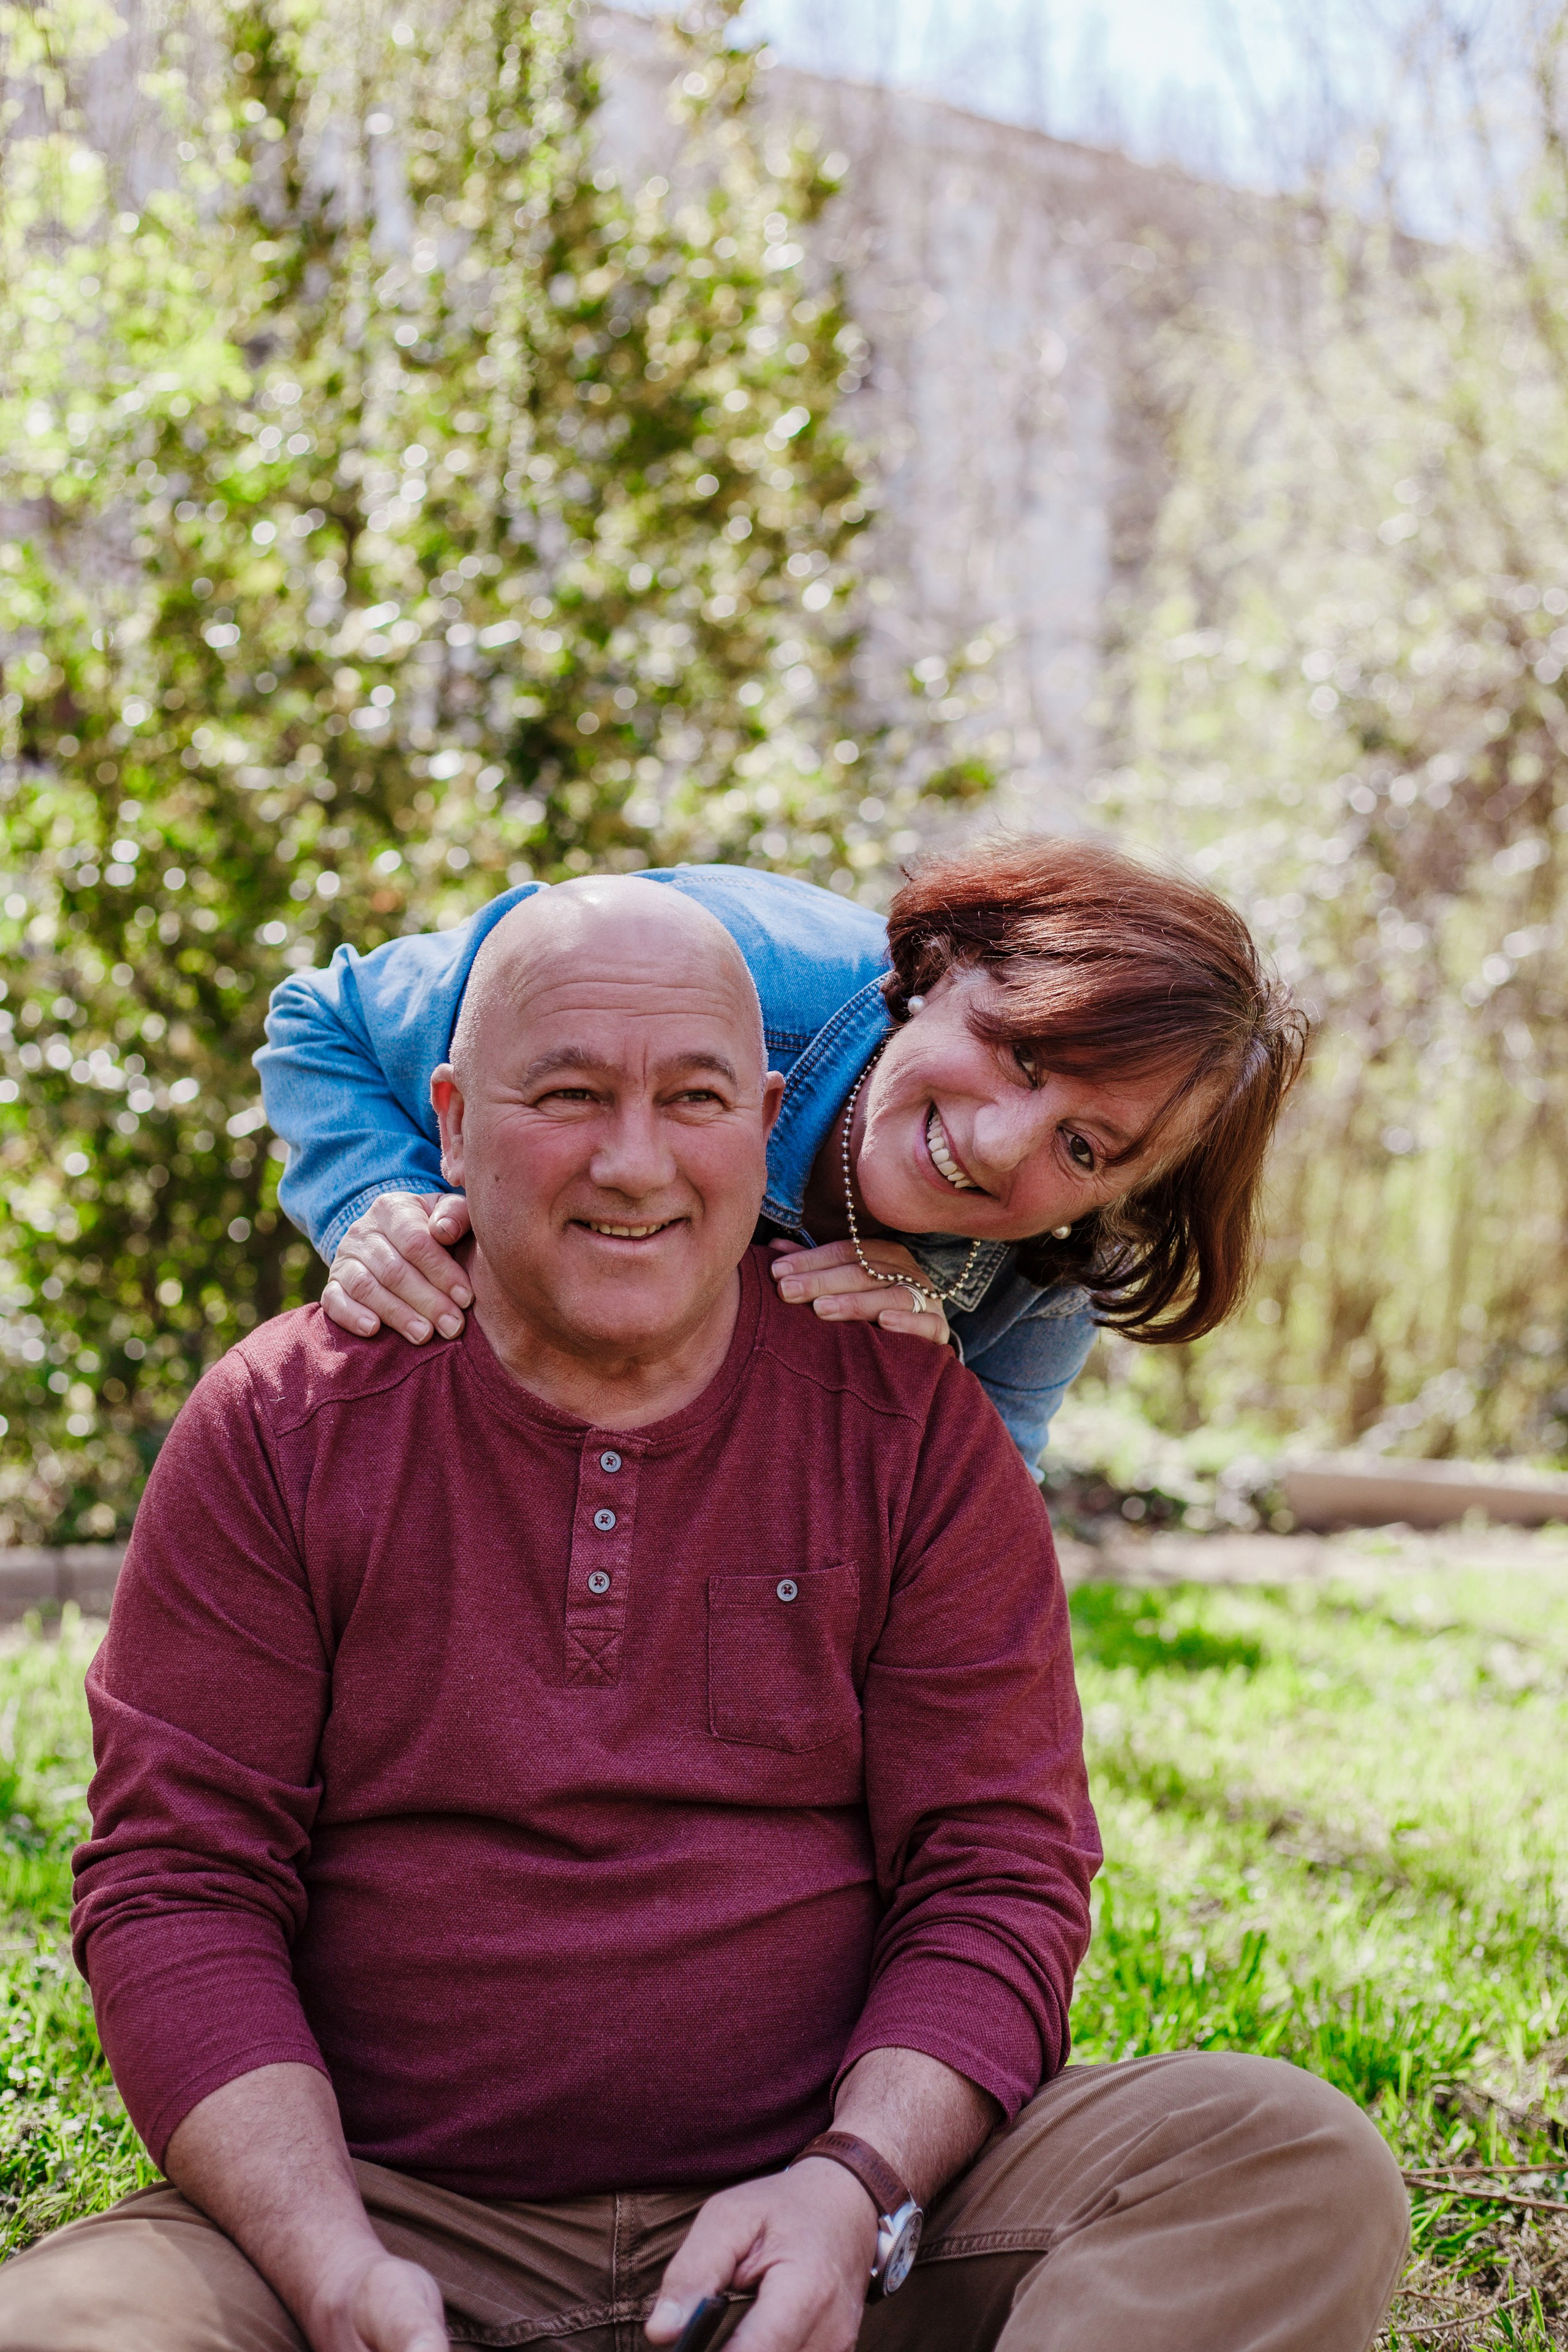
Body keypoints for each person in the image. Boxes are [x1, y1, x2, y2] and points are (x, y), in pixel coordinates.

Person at [0, 881, 1404, 2352]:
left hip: (841, 2233)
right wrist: (326, 2259)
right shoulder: (286, 1420)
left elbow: (995, 1867)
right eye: (568, 1093)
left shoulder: (935, 1408)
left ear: (762, 1118)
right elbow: (178, 1887)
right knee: (65, 2330)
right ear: (456, 1119)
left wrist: (851, 2184)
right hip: (386, 2217)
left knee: (1282, 2160)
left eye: (692, 1099)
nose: (633, 1158)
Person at [256, 835, 1306, 1465]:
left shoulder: (1052, 1266)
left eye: (1085, 1147)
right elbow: (321, 1023)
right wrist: (374, 1204)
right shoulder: (715, 975)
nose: (998, 1146)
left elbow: (979, 1582)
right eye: (1022, 1054)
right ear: (943, 964)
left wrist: (927, 1403)